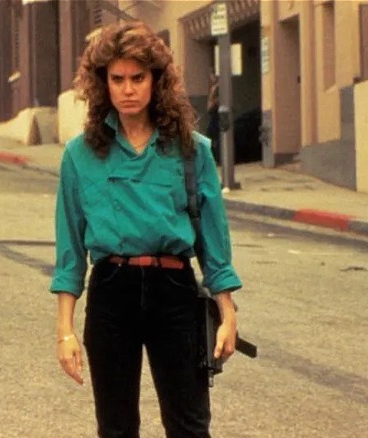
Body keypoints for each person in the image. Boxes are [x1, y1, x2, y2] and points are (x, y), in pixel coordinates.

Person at [50, 21, 241, 438]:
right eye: (117, 79)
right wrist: (64, 330)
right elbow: (69, 252)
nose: (128, 89)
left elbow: (214, 242)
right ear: (103, 84)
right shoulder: (79, 155)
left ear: (157, 80)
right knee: (116, 427)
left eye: (138, 77)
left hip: (173, 290)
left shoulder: (193, 150)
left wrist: (227, 313)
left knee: (189, 425)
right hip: (110, 291)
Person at [205, 71, 220, 164]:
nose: (211, 77)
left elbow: (215, 101)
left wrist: (213, 104)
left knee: (213, 136)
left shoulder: (217, 87)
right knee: (211, 137)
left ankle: (215, 158)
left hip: (215, 114)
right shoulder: (214, 87)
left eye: (212, 75)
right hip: (212, 113)